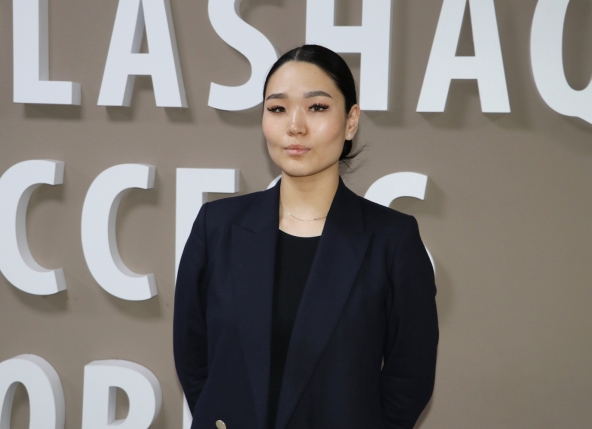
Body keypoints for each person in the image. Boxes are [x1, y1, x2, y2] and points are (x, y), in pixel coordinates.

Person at [174, 44, 438, 429]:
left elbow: (409, 378)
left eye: (316, 107)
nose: (295, 125)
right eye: (277, 108)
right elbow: (192, 355)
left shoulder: (392, 241)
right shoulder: (217, 227)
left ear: (351, 121)